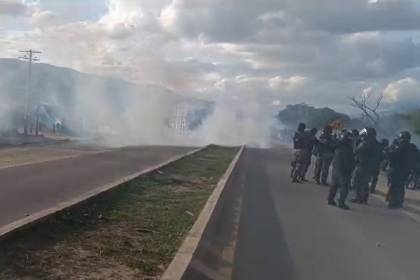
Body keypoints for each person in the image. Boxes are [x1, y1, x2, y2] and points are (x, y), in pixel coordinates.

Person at [386, 131, 418, 208]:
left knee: (395, 186)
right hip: (406, 171)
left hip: (397, 169)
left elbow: (392, 156)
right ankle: (398, 202)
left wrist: (388, 151)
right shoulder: (413, 148)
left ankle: (394, 202)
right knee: (400, 186)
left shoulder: (401, 147)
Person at [351, 127, 381, 204]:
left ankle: (358, 198)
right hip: (371, 167)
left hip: (362, 165)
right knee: (365, 183)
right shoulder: (377, 144)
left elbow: (355, 151)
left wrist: (355, 142)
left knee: (358, 182)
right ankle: (364, 199)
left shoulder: (365, 143)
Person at [327, 130, 354, 210]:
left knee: (334, 185)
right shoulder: (347, 150)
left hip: (336, 169)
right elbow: (348, 162)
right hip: (344, 171)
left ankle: (330, 199)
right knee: (344, 187)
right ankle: (341, 203)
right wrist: (351, 168)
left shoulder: (338, 147)